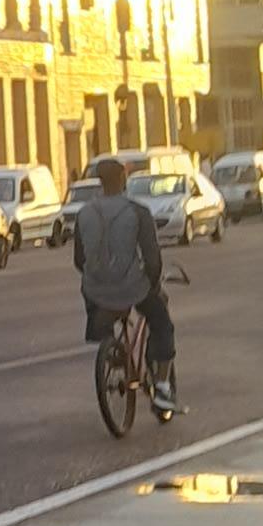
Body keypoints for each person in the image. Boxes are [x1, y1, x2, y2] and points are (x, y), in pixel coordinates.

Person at [72, 154, 175, 411]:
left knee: (91, 291)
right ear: (123, 179)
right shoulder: (137, 211)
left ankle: (106, 340)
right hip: (132, 287)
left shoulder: (84, 214)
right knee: (161, 321)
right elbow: (152, 260)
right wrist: (153, 285)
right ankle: (162, 387)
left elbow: (79, 260)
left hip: (95, 290)